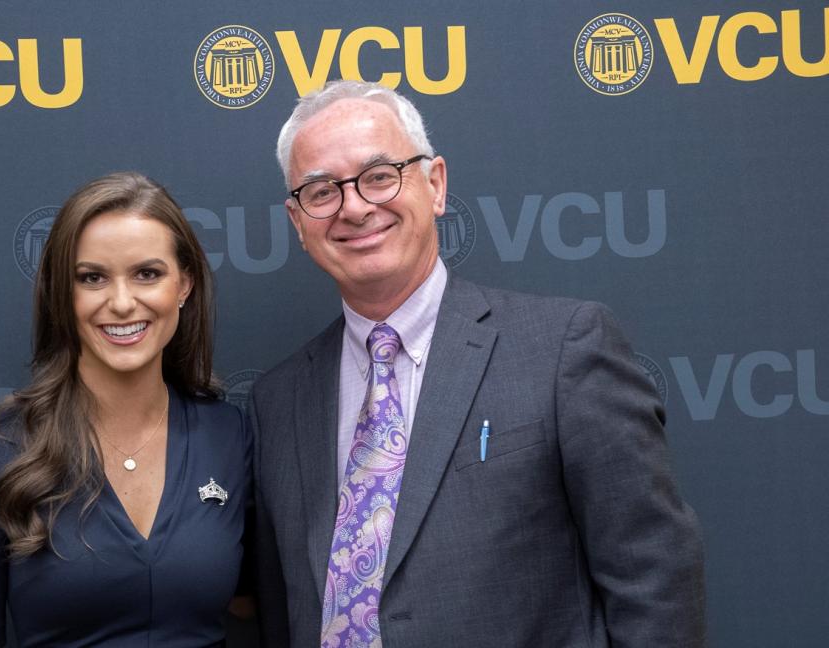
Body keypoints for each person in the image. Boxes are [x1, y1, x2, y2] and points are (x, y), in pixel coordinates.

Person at [249, 80, 706, 647]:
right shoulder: (279, 400)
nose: (356, 206)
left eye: (379, 176)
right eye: (321, 191)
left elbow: (654, 577)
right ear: (299, 222)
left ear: (435, 185)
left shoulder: (563, 347)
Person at [0, 172, 250, 647]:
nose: (122, 303)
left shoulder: (230, 435)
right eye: (92, 277)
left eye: (148, 273)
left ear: (183, 285)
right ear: (63, 293)